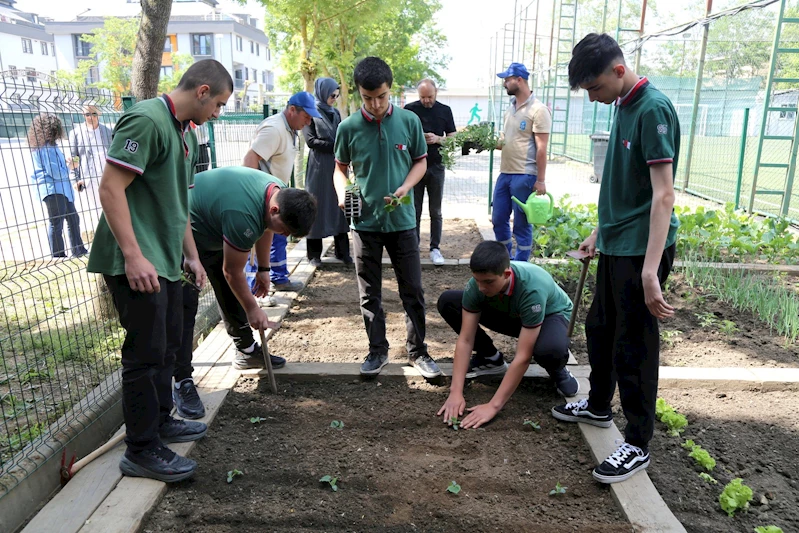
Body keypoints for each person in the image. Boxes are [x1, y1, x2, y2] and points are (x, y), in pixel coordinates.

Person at [87, 59, 232, 482]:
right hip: (137, 261)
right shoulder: (147, 120)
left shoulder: (186, 133)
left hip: (167, 261)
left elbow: (179, 204)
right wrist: (133, 256)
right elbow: (110, 188)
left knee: (169, 347)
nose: (218, 114)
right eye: (219, 104)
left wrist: (191, 255)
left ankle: (161, 422)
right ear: (202, 91)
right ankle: (141, 449)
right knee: (145, 356)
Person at [551, 33, 680, 484]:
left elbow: (663, 195)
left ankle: (638, 444)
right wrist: (598, 231)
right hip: (616, 243)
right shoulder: (623, 107)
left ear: (619, 71)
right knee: (600, 326)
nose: (593, 97)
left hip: (642, 251)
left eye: (595, 88)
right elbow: (625, 189)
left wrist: (650, 270)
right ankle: (599, 405)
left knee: (635, 345)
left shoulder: (652, 110)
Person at [172, 166, 317, 419]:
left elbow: (267, 228)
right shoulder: (243, 215)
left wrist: (263, 268)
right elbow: (232, 272)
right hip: (182, 235)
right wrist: (253, 309)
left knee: (232, 293)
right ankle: (181, 380)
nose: (283, 235)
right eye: (285, 230)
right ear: (275, 209)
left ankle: (246, 351)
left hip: (214, 229)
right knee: (185, 307)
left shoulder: (276, 192)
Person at [333, 56, 441, 379]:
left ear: (390, 89)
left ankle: (418, 352)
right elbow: (339, 169)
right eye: (368, 98)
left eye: (381, 96)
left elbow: (420, 162)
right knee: (369, 293)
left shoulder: (409, 122)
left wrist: (406, 187)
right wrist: (342, 193)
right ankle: (377, 351)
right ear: (359, 94)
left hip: (403, 221)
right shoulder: (348, 127)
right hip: (364, 224)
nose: (376, 104)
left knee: (413, 290)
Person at [437, 241, 579, 428]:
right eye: (477, 280)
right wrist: (455, 392)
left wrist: (493, 406)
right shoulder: (478, 286)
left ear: (506, 274)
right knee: (448, 301)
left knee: (549, 349)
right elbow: (465, 339)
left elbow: (523, 356)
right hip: (515, 313)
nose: (481, 287)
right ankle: (491, 359)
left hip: (551, 316)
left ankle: (557, 367)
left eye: (488, 282)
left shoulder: (531, 289)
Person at [242, 92, 321, 297]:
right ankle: (255, 292)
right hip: (264, 198)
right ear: (292, 109)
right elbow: (251, 158)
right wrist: (255, 196)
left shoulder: (290, 128)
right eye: (306, 116)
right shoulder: (274, 129)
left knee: (277, 240)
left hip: (277, 194)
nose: (309, 121)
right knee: (257, 248)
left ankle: (278, 279)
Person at [493, 62, 551, 261]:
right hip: (505, 173)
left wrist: (540, 180)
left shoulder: (538, 110)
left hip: (525, 175)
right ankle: (504, 260)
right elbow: (504, 141)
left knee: (521, 223)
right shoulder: (509, 110)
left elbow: (542, 148)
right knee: (498, 219)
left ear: (519, 80)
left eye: (507, 80)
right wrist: (487, 142)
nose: (504, 84)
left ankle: (521, 264)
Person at [404, 79, 456, 266]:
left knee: (436, 210)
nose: (426, 100)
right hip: (414, 166)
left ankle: (435, 248)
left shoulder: (445, 111)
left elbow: (453, 138)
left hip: (436, 166)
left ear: (436, 93)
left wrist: (437, 139)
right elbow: (402, 134)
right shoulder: (409, 109)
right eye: (422, 97)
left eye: (430, 97)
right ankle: (413, 247)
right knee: (414, 209)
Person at [303, 77, 351, 267]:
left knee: (340, 206)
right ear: (323, 92)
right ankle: (313, 255)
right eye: (332, 94)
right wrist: (336, 146)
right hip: (318, 168)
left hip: (338, 166)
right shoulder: (310, 112)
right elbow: (311, 141)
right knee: (316, 208)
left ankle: (343, 253)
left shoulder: (336, 113)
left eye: (337, 95)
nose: (334, 98)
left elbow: (341, 134)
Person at [28, 114, 88, 259]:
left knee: (73, 218)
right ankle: (58, 255)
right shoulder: (46, 148)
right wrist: (70, 166)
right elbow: (55, 173)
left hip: (62, 191)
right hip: (53, 190)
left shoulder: (49, 147)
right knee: (56, 222)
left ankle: (78, 250)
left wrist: (65, 163)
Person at [68, 104, 113, 230]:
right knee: (99, 211)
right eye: (87, 114)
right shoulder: (75, 133)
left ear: (99, 114)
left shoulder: (107, 131)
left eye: (94, 114)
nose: (91, 117)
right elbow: (74, 157)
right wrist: (75, 179)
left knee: (111, 208)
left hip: (107, 175)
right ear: (83, 115)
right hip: (89, 178)